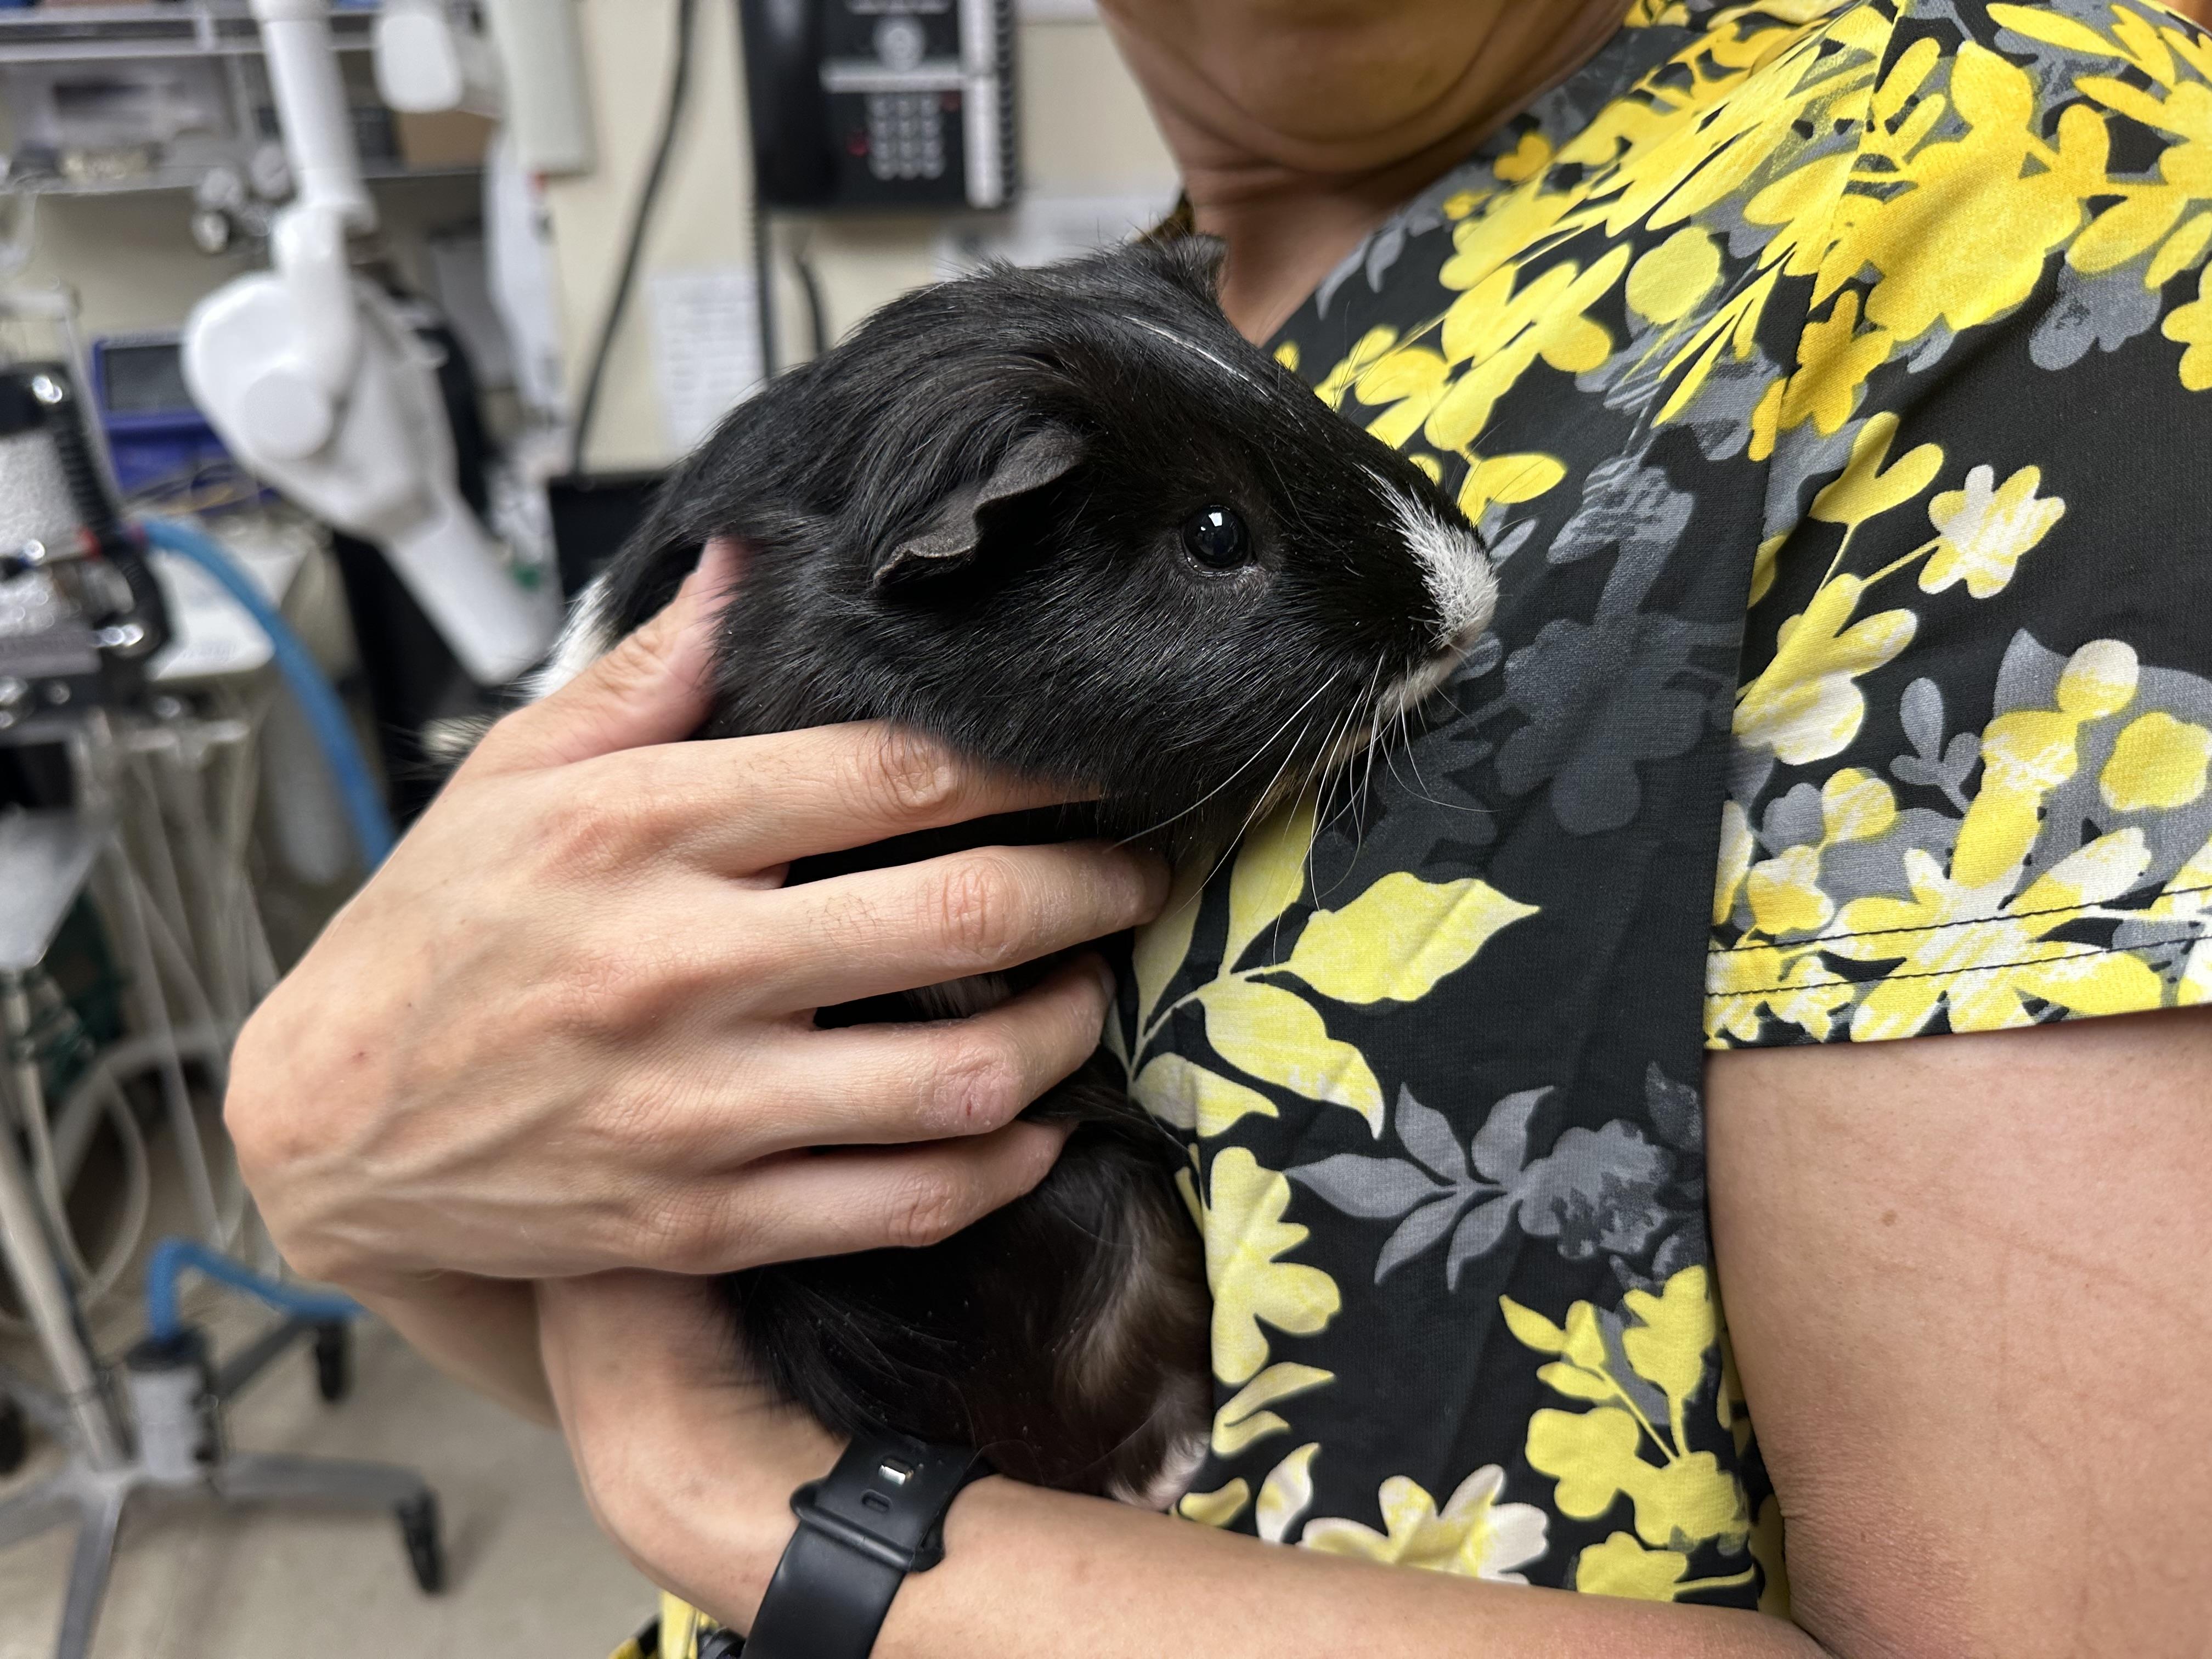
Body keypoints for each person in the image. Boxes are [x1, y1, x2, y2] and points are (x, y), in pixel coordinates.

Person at [225, 1, 2212, 1654]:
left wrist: (741, 1500)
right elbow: (785, 1267)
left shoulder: (2029, 194)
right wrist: (347, 1158)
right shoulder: (1110, 299)